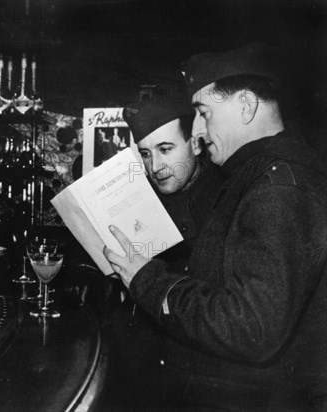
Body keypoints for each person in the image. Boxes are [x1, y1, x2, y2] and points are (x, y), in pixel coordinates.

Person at [104, 42, 327, 410]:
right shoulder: (258, 176)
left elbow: (252, 328)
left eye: (204, 113)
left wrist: (146, 279)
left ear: (246, 105)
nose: (198, 130)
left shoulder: (278, 186)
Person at [65, 98, 224, 410]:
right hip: (139, 358)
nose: (156, 166)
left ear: (195, 145)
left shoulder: (225, 198)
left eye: (166, 149)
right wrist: (89, 275)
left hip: (200, 371)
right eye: (147, 154)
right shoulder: (138, 197)